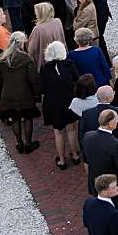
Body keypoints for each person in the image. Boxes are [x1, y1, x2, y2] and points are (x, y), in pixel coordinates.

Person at [0, 31, 40, 154]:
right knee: (28, 118)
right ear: (21, 43)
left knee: (14, 119)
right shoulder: (27, 59)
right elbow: (33, 79)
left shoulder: (2, 58)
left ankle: (19, 142)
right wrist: (37, 92)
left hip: (8, 96)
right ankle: (28, 143)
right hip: (25, 95)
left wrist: (4, 83)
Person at [40, 39, 82, 170]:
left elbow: (41, 89)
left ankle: (62, 160)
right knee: (71, 129)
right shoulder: (69, 65)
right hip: (69, 101)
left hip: (53, 103)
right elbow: (78, 80)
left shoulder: (45, 69)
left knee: (58, 131)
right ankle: (75, 155)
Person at [83, 108, 118, 219]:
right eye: (116, 120)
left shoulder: (87, 136)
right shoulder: (115, 144)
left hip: (95, 182)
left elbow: (86, 159)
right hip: (112, 186)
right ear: (110, 123)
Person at [78, 84, 118, 150]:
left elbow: (81, 134)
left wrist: (86, 150)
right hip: (114, 151)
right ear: (107, 98)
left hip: (92, 151)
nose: (114, 94)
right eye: (113, 93)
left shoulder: (86, 113)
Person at [25, 0, 66, 68]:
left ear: (42, 14)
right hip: (60, 56)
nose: (35, 14)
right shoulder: (58, 21)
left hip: (46, 62)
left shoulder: (38, 29)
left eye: (37, 13)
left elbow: (32, 49)